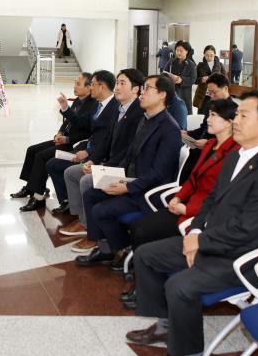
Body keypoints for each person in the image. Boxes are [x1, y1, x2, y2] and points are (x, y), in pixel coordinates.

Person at [125, 91, 258, 356]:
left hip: (240, 257)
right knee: (146, 255)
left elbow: (247, 229)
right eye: (236, 115)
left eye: (243, 116)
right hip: (210, 241)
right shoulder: (235, 155)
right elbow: (211, 201)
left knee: (180, 286)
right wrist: (196, 230)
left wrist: (199, 241)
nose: (235, 121)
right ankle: (165, 325)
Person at [75, 74, 181, 267]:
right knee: (91, 195)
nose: (142, 92)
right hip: (130, 181)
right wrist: (107, 171)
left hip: (147, 192)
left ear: (162, 95)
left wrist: (127, 187)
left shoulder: (169, 129)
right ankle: (107, 249)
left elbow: (159, 173)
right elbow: (129, 156)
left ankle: (123, 249)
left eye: (148, 88)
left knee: (101, 210)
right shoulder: (146, 119)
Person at [131, 98, 239, 249]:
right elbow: (192, 179)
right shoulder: (209, 145)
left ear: (229, 122)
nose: (208, 120)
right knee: (139, 226)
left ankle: (145, 264)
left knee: (143, 230)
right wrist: (177, 197)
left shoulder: (235, 153)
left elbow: (222, 196)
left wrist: (188, 209)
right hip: (187, 203)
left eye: (213, 115)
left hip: (202, 214)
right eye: (208, 115)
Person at [59, 69, 146, 250]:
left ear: (136, 90)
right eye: (117, 82)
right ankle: (83, 221)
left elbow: (129, 150)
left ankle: (94, 234)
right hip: (110, 161)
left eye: (123, 83)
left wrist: (104, 166)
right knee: (72, 173)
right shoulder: (119, 108)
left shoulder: (138, 113)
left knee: (86, 182)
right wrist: (93, 160)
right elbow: (106, 140)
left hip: (122, 168)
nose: (117, 87)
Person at [10, 72, 95, 206]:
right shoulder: (79, 100)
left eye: (78, 84)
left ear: (89, 87)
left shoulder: (92, 104)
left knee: (41, 156)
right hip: (64, 139)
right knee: (32, 150)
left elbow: (85, 131)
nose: (75, 86)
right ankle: (31, 187)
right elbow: (68, 122)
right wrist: (59, 133)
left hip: (73, 144)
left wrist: (67, 139)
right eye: (74, 83)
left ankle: (38, 195)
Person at [44, 71, 119, 212]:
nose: (91, 88)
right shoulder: (98, 105)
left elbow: (107, 138)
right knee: (53, 163)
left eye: (93, 85)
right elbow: (81, 122)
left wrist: (89, 153)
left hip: (97, 154)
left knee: (64, 168)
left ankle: (76, 209)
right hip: (88, 148)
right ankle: (68, 202)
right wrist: (65, 107)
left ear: (101, 86)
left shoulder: (115, 107)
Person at [163, 41, 196, 113]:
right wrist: (169, 78)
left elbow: (193, 79)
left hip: (184, 93)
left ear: (186, 51)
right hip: (172, 91)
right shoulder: (171, 62)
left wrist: (181, 80)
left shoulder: (191, 64)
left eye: (181, 51)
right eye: (177, 50)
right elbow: (164, 74)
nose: (178, 52)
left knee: (183, 113)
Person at [192, 45, 223, 114]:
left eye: (211, 55)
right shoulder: (200, 65)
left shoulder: (220, 65)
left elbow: (226, 80)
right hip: (203, 95)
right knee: (201, 116)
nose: (209, 57)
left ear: (215, 54)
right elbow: (194, 80)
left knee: (215, 115)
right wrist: (202, 79)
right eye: (207, 55)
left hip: (216, 94)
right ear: (204, 54)